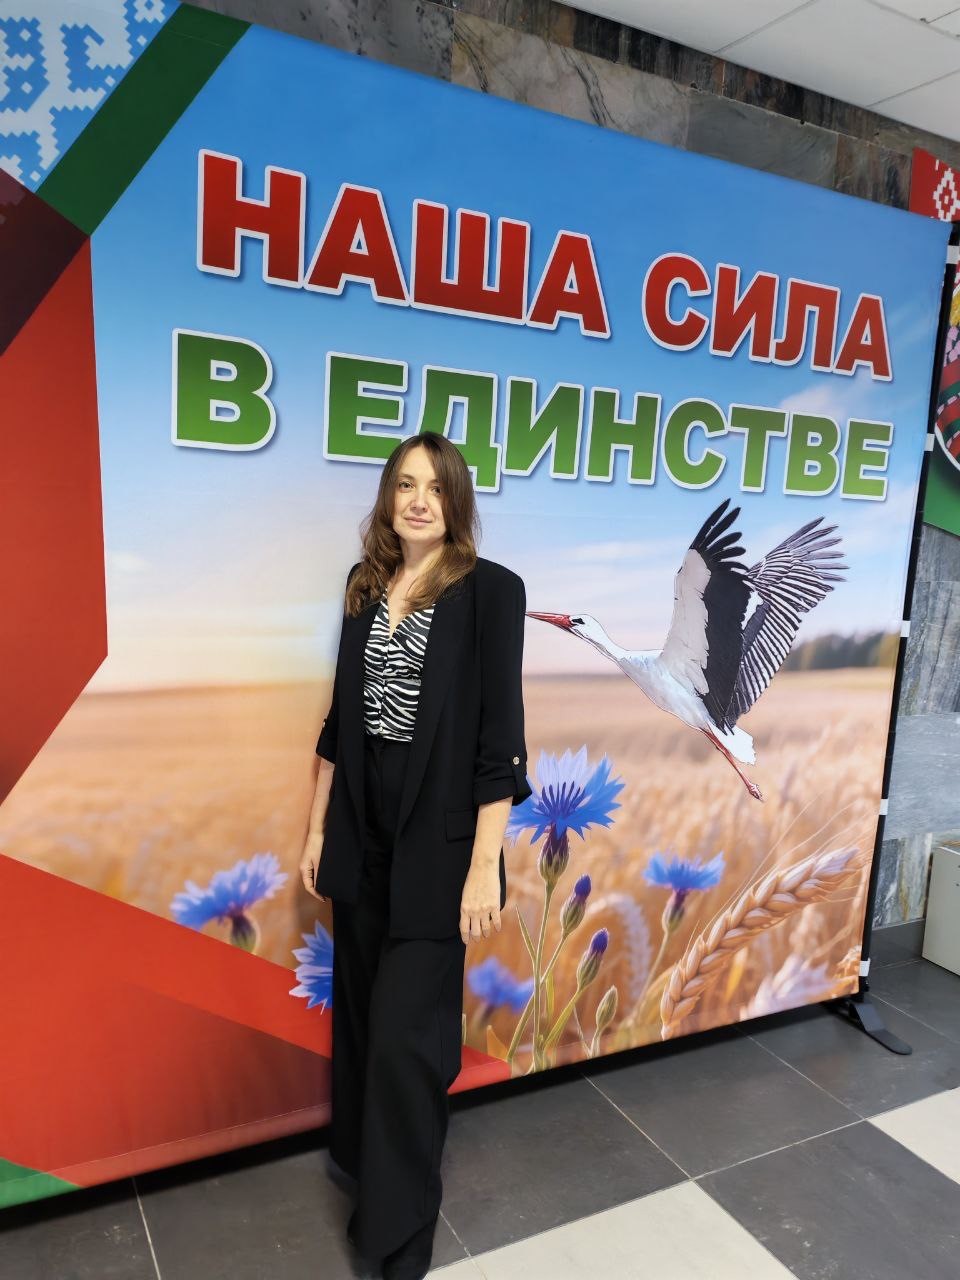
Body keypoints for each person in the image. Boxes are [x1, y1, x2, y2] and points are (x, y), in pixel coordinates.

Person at [299, 430, 532, 1280]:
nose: (418, 500)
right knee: (365, 1018)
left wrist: (483, 867)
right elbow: (339, 724)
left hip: (438, 838)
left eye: (435, 487)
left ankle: (399, 1234)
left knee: (408, 1037)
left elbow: (500, 742)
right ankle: (364, 1165)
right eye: (404, 484)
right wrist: (318, 831)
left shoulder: (491, 591)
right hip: (362, 827)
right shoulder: (364, 586)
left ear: (456, 501)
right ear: (388, 499)